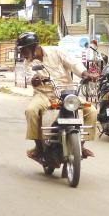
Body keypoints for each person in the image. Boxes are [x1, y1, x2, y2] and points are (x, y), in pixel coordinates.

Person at [17, 32, 98, 161]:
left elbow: (73, 64)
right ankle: (38, 147)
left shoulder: (56, 51)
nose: (22, 54)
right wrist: (35, 80)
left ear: (33, 47)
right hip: (44, 94)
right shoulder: (28, 63)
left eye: (24, 50)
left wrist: (85, 73)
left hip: (67, 93)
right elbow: (29, 78)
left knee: (92, 111)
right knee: (31, 111)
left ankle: (81, 145)